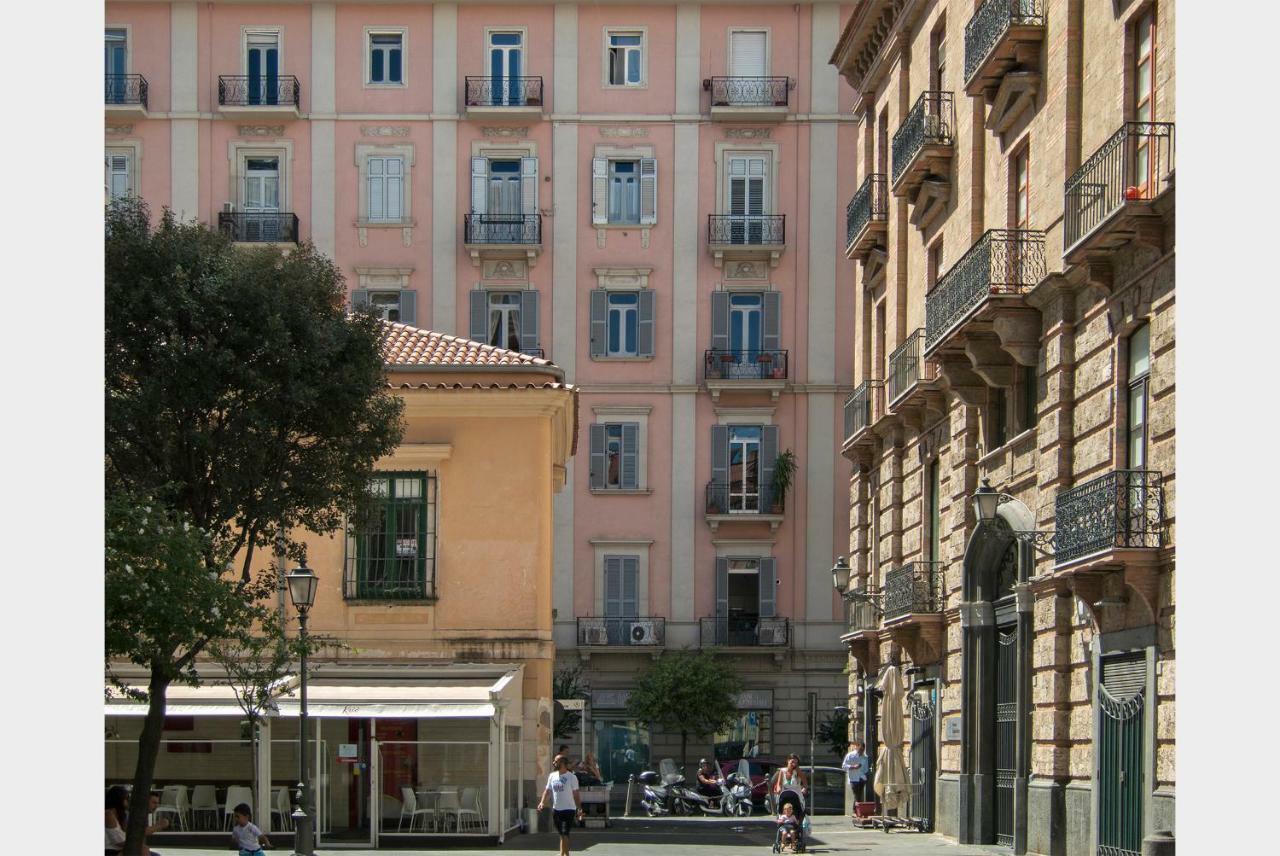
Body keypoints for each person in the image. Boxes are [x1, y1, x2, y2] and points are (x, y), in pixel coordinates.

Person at [537, 754, 584, 856]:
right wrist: (542, 802)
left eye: (556, 761)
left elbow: (576, 794)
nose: (554, 763)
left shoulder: (572, 777)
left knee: (564, 832)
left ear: (562, 763)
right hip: (556, 809)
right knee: (562, 833)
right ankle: (562, 852)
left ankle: (565, 854)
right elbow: (547, 791)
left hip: (568, 810)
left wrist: (579, 808)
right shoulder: (552, 776)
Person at [841, 741, 871, 806]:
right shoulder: (850, 755)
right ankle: (856, 811)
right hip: (853, 778)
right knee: (856, 795)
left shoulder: (865, 757)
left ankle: (855, 810)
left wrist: (865, 776)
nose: (861, 751)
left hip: (862, 778)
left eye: (863, 750)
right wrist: (853, 767)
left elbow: (865, 769)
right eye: (860, 749)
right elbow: (843, 766)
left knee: (859, 795)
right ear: (857, 747)